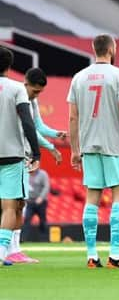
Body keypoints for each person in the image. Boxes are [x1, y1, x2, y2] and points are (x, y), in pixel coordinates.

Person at [67, 34, 119, 269]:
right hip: (114, 145)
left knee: (92, 199)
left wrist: (74, 149)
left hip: (89, 145)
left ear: (94, 49)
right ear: (111, 49)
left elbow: (72, 116)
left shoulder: (79, 78)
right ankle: (115, 255)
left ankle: (91, 255)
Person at [6, 68, 65, 264]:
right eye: (35, 90)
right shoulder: (17, 96)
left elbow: (38, 126)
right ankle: (9, 249)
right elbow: (28, 128)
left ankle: (13, 248)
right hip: (17, 155)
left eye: (40, 92)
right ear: (26, 83)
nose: (36, 95)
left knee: (20, 203)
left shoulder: (32, 101)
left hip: (22, 155)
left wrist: (56, 135)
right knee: (13, 203)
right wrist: (49, 146)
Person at [0, 46, 41, 266]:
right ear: (9, 66)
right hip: (11, 155)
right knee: (9, 206)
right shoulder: (17, 88)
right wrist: (36, 152)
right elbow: (27, 121)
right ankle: (1, 252)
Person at [23, 168, 50, 242]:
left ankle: (44, 239)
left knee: (42, 220)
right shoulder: (26, 174)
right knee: (27, 219)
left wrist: (41, 198)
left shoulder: (43, 174)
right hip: (29, 202)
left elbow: (46, 186)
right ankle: (23, 239)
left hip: (41, 202)